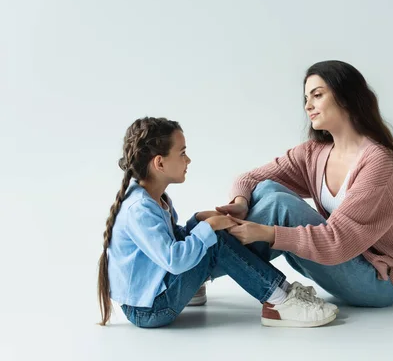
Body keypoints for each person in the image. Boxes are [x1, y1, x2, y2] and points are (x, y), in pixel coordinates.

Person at [218, 60, 393, 308]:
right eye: (306, 98)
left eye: (317, 95)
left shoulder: (378, 162)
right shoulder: (314, 153)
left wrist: (266, 233)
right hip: (341, 265)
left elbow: (338, 242)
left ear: (346, 97)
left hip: (378, 282)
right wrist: (240, 203)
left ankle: (196, 271)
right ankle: (198, 268)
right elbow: (249, 179)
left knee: (281, 205)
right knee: (265, 190)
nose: (308, 105)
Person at [97, 117, 337, 328]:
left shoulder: (155, 198)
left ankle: (280, 291)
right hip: (149, 310)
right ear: (159, 163)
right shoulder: (139, 209)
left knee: (211, 233)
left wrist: (198, 220)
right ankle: (279, 301)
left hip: (155, 294)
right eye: (182, 153)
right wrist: (208, 228)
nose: (188, 160)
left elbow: (166, 242)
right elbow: (174, 259)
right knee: (215, 239)